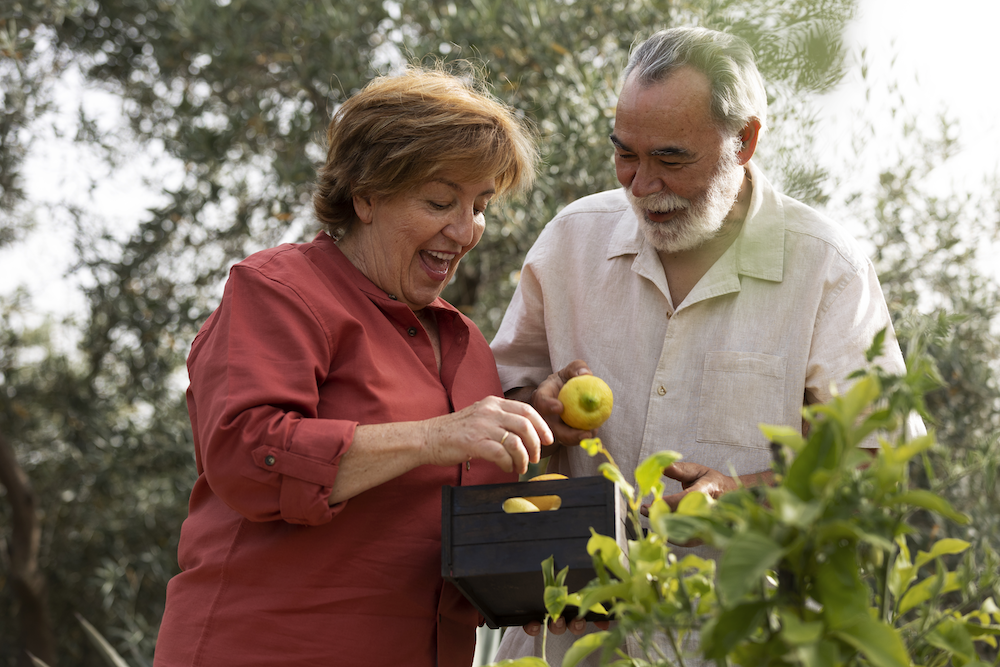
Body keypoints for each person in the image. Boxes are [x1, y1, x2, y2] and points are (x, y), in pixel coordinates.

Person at [490, 26, 922, 665]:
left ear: (745, 140)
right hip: (570, 640)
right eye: (625, 154)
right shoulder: (570, 241)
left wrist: (742, 491)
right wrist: (539, 411)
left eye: (671, 159)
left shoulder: (825, 267)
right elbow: (501, 398)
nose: (641, 185)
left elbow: (876, 460)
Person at [153, 65, 552, 667]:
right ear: (365, 196)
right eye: (441, 200)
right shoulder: (279, 291)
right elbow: (246, 457)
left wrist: (533, 424)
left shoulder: (466, 342)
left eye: (481, 204)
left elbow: (465, 548)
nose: (466, 229)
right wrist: (437, 436)